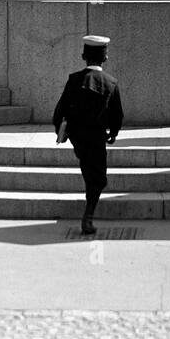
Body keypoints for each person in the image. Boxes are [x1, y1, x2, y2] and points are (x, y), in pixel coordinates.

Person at [53, 33, 124, 235]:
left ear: (84, 56)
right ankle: (88, 216)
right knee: (98, 179)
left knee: (90, 173)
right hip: (96, 138)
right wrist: (114, 133)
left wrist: (61, 131)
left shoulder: (74, 79)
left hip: (78, 138)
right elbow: (117, 114)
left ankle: (88, 215)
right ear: (105, 57)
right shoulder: (110, 83)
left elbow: (60, 110)